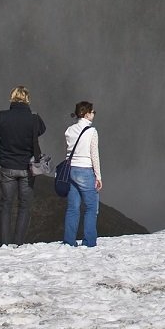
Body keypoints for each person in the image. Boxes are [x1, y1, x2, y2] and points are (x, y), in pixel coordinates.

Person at [0, 86, 46, 247]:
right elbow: (42, 130)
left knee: (6, 205)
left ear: (12, 98)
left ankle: (4, 243)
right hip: (27, 168)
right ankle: (18, 243)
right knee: (24, 206)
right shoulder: (34, 118)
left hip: (8, 166)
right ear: (27, 99)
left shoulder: (2, 116)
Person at [63, 101, 102, 247]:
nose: (94, 114)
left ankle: (69, 241)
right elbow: (94, 155)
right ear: (86, 114)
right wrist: (98, 176)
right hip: (85, 170)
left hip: (71, 170)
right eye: (93, 112)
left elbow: (68, 152)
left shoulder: (69, 130)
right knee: (91, 207)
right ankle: (89, 242)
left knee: (73, 208)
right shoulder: (92, 132)